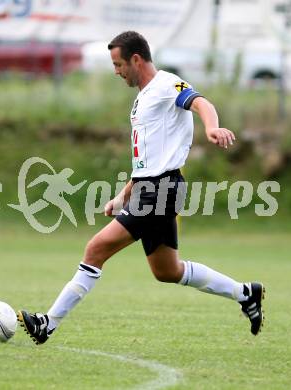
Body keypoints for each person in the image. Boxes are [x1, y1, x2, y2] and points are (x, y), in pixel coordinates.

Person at [17, 31, 265, 345]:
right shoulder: (143, 98)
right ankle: (246, 293)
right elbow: (148, 161)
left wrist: (212, 127)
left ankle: (47, 324)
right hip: (151, 187)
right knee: (167, 270)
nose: (116, 71)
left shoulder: (166, 84)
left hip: (162, 189)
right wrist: (124, 194)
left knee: (96, 249)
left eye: (119, 64)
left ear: (136, 59)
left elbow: (201, 102)